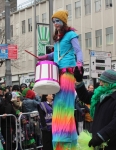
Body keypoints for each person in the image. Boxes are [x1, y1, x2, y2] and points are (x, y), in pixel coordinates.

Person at [38, 10, 83, 149]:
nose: (55, 24)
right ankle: (63, 140)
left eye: (57, 21)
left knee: (64, 107)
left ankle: (64, 140)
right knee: (59, 107)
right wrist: (46, 57)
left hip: (67, 74)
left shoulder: (71, 34)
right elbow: (56, 54)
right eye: (54, 21)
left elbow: (78, 50)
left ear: (63, 22)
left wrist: (79, 63)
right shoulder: (58, 38)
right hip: (58, 74)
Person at [74, 68, 116, 150]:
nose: (99, 83)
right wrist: (79, 80)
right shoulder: (100, 94)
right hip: (98, 143)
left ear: (109, 82)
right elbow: (85, 97)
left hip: (111, 144)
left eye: (102, 81)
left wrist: (101, 136)